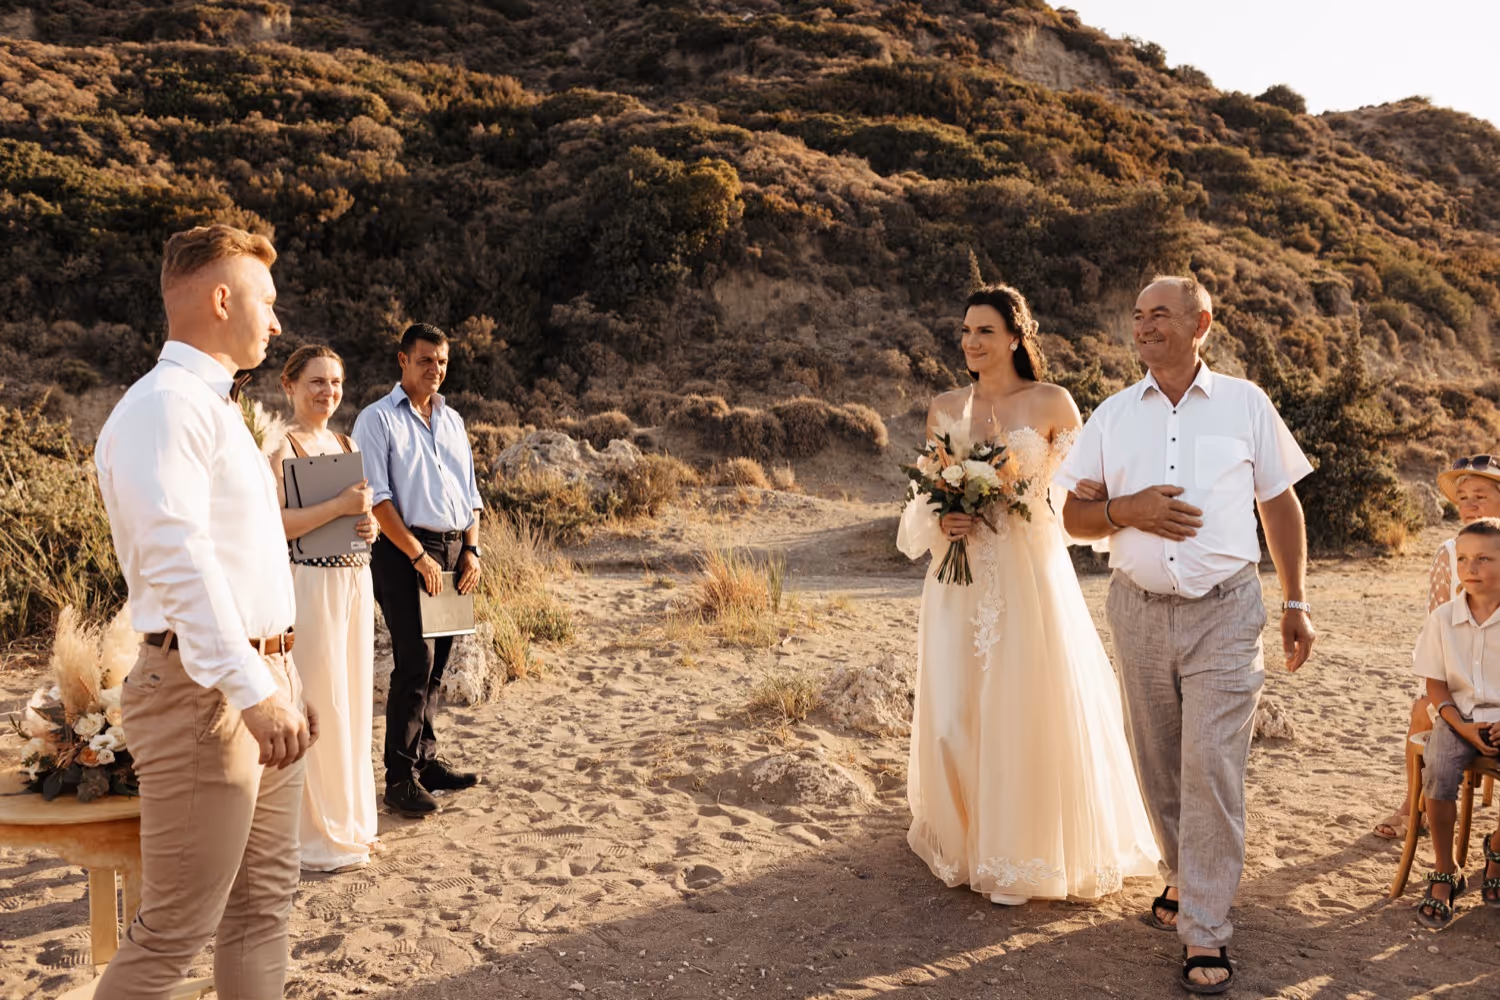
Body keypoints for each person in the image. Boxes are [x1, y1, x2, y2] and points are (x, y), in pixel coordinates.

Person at [1057, 275, 1315, 995]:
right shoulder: (1111, 416)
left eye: (1160, 314)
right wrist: (1127, 510)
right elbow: (1072, 518)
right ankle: (1183, 870)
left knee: (1211, 765)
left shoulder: (1246, 403)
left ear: (1201, 323)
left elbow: (1280, 505)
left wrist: (1296, 600)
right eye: (1138, 315)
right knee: (1159, 764)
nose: (1144, 327)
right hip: (1137, 610)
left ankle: (1205, 927)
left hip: (1226, 611)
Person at [93, 224, 315, 997]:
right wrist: (254, 689)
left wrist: (282, 675)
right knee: (172, 935)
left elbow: (240, 559)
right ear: (222, 299)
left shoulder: (216, 408)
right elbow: (178, 560)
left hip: (256, 680)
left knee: (261, 909)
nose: (277, 322)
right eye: (267, 301)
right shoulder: (163, 408)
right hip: (204, 693)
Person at [896, 284, 1161, 910]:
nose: (971, 342)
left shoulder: (1052, 402)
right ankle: (966, 840)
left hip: (1028, 574)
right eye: (965, 331)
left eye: (984, 331)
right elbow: (920, 500)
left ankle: (1023, 849)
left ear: (1016, 336)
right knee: (956, 707)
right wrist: (945, 519)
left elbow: (1080, 496)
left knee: (1023, 702)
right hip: (958, 580)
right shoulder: (944, 407)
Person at [352, 322, 483, 818]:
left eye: (442, 361)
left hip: (452, 551)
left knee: (438, 664)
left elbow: (470, 494)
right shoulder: (377, 419)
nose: (436, 369)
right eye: (426, 359)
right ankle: (399, 779)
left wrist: (471, 550)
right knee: (414, 661)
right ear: (403, 360)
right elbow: (377, 499)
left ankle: (426, 763)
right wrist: (418, 556)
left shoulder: (453, 420)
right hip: (401, 551)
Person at [267, 345, 382, 872]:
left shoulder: (345, 442)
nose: (328, 391)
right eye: (316, 381)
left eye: (335, 382)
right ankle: (318, 835)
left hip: (355, 581)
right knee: (321, 700)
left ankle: (353, 823)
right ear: (289, 385)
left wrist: (367, 525)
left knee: (354, 700)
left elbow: (358, 515)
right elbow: (276, 525)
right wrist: (339, 506)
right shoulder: (280, 448)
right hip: (310, 584)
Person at [1373, 455, 1500, 840]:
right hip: (1458, 672)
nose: (1470, 505)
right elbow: (1437, 625)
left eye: (1480, 495)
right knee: (1423, 709)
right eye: (1463, 498)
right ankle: (1415, 805)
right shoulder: (1448, 551)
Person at [1410, 517, 1500, 928]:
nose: (1470, 568)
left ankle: (1496, 848)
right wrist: (1461, 727)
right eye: (1463, 559)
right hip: (1455, 717)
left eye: (1483, 559)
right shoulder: (1443, 619)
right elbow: (1435, 683)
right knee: (1439, 769)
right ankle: (1446, 868)